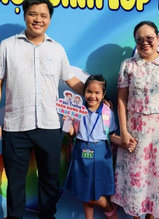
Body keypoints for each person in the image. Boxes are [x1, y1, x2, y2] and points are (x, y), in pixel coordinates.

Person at [0, 0, 85, 219]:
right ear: (25, 16)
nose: (38, 19)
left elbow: (70, 79)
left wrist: (97, 95)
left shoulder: (56, 49)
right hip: (15, 126)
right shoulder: (7, 46)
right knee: (15, 181)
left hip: (49, 125)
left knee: (50, 179)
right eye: (33, 14)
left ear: (49, 19)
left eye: (43, 15)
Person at [111, 21, 159, 219]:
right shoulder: (128, 65)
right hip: (135, 135)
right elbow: (121, 100)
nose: (145, 43)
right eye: (139, 40)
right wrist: (124, 132)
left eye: (149, 38)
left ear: (158, 38)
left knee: (156, 180)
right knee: (137, 180)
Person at [63, 75, 122, 219]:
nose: (92, 96)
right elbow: (70, 132)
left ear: (103, 95)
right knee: (84, 190)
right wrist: (66, 121)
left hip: (101, 154)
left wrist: (124, 142)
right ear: (84, 92)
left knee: (94, 191)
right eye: (89, 91)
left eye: (97, 93)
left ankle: (108, 207)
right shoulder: (77, 110)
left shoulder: (107, 112)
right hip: (81, 152)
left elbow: (112, 135)